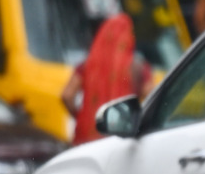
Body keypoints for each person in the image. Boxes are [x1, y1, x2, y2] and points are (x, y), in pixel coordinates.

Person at [61, 11, 153, 145]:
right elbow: (152, 96)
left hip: (88, 136)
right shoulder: (138, 68)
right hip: (121, 137)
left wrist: (80, 115)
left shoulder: (88, 65)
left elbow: (67, 95)